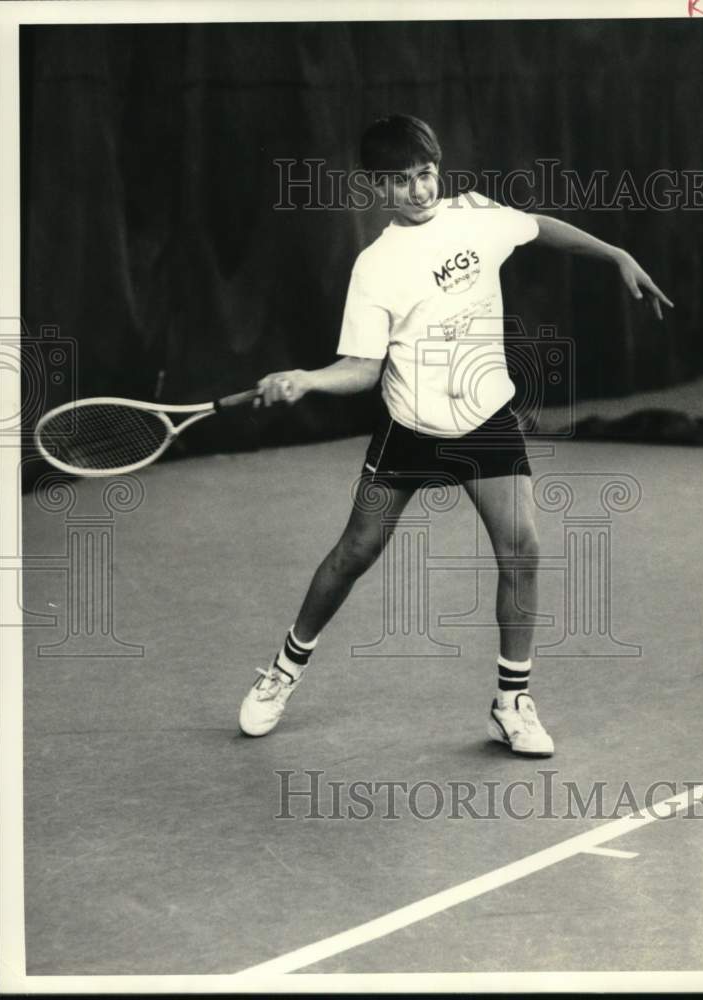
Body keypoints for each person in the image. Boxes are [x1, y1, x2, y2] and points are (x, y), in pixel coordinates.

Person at [239, 115, 672, 757]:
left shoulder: (474, 213)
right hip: (410, 425)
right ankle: (282, 671)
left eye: (425, 174)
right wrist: (306, 380)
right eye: (401, 181)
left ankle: (511, 702)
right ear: (376, 188)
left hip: (486, 419)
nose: (418, 191)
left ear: (438, 169)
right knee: (353, 554)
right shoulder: (375, 266)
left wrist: (615, 253)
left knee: (522, 551)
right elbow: (362, 370)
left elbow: (536, 227)